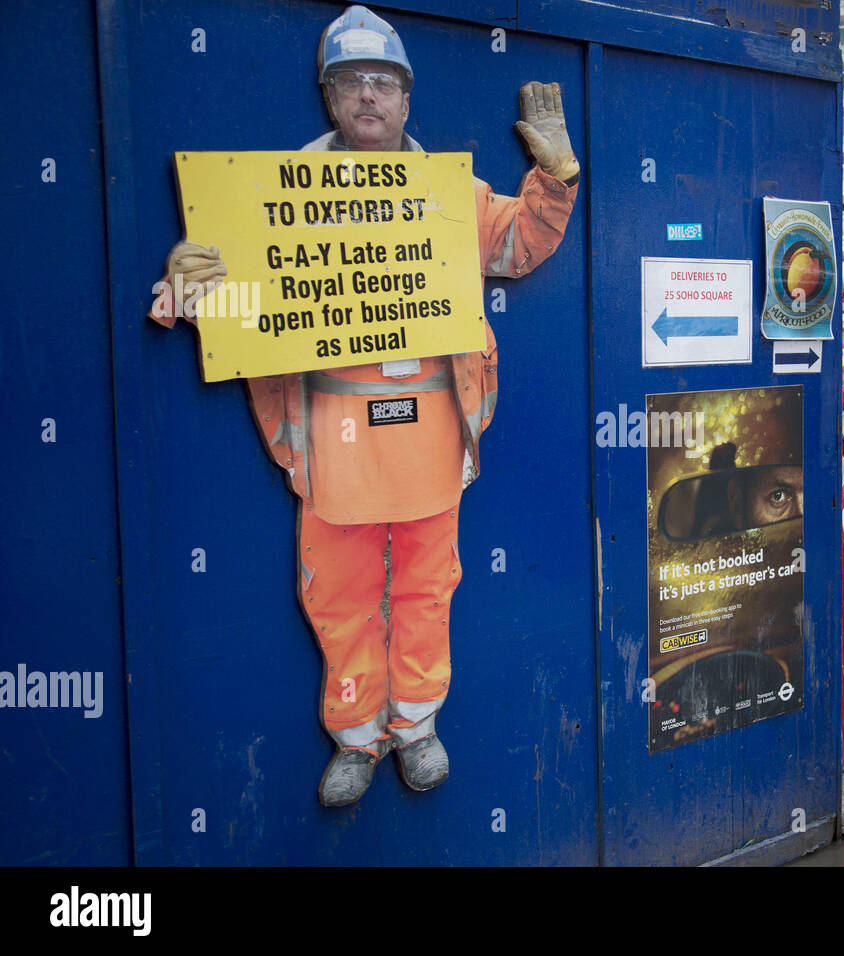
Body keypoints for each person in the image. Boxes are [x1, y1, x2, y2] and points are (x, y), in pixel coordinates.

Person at [148, 4, 579, 806]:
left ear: (407, 100)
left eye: (384, 81)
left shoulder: (453, 195)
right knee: (336, 593)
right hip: (333, 444)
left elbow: (519, 244)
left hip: (431, 436)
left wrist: (554, 178)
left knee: (427, 587)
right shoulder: (271, 199)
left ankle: (415, 728)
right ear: (330, 98)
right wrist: (184, 280)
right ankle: (356, 738)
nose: (369, 95)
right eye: (352, 82)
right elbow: (229, 305)